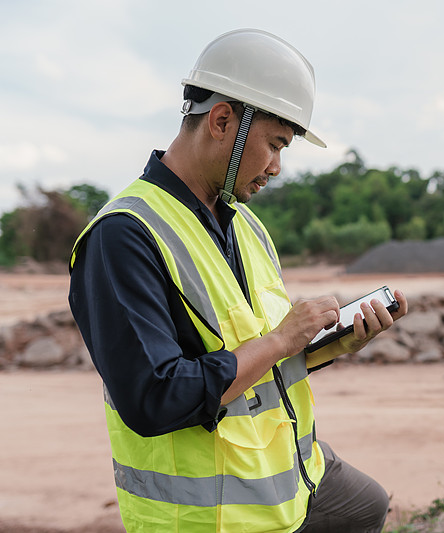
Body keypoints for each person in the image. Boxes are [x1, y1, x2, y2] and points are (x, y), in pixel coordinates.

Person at [68, 28, 407, 533]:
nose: (276, 167)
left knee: (365, 505)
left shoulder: (245, 224)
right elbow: (153, 399)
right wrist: (280, 339)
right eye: (274, 145)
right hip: (212, 515)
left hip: (291, 479)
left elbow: (256, 357)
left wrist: (327, 345)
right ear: (222, 120)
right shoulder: (123, 237)